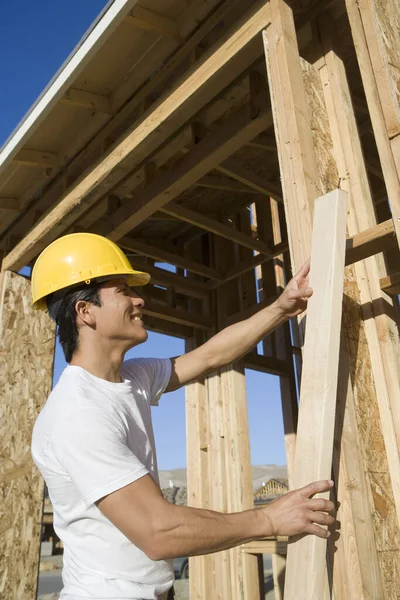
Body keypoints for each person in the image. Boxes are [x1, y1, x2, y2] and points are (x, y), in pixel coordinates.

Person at [31, 233, 335, 600]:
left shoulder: (133, 377)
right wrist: (268, 519)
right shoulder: (77, 413)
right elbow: (158, 532)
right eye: (123, 291)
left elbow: (209, 356)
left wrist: (281, 308)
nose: (139, 298)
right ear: (85, 312)